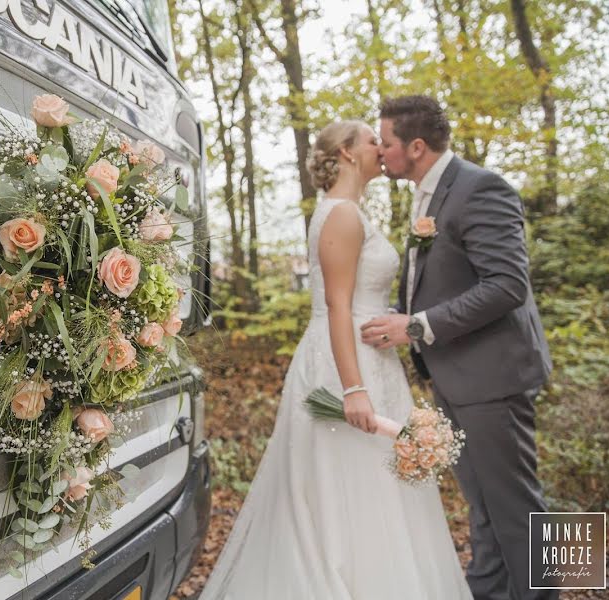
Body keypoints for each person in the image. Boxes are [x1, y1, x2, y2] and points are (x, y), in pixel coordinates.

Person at [199, 120, 471, 599]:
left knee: (372, 490)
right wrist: (354, 388)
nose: (380, 150)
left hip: (366, 356)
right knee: (348, 490)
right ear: (346, 153)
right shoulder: (342, 215)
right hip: (347, 365)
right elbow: (337, 307)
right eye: (372, 141)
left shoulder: (348, 212)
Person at [361, 95, 554, 600]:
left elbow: (508, 285)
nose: (380, 151)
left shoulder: (480, 188)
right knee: (485, 505)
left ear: (417, 146)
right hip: (455, 375)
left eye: (387, 142)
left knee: (521, 506)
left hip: (494, 377)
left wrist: (417, 326)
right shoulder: (428, 194)